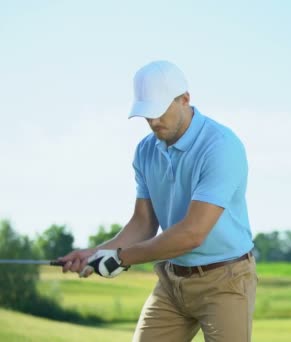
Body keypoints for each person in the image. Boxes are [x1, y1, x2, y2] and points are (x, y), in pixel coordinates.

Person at [59, 60, 257, 342]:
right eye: (146, 113)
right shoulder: (145, 151)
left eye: (159, 110)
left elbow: (193, 233)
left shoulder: (221, 146)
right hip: (172, 280)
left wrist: (120, 258)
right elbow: (143, 224)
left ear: (185, 99)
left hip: (225, 279)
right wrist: (94, 253)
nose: (153, 121)